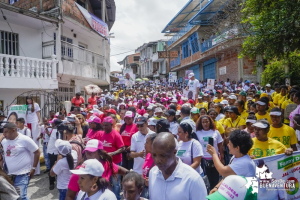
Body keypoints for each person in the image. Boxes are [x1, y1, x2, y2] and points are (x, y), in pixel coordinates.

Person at [149, 132, 207, 200]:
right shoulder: (152, 173)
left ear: (174, 152)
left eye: (162, 155)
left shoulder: (192, 179)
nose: (157, 160)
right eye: (154, 155)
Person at [206, 130, 256, 194]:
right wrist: (217, 187)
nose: (227, 145)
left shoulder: (244, 163)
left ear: (237, 148)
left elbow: (223, 171)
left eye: (230, 144)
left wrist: (214, 154)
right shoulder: (235, 157)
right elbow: (228, 175)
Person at [1, 123, 40, 200]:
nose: (4, 134)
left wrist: (34, 168)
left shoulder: (25, 139)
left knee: (21, 197)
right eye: (3, 132)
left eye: (6, 132)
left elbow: (37, 152)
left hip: (22, 174)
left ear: (13, 130)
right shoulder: (4, 141)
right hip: (8, 175)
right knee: (13, 197)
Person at [195, 116, 224, 190]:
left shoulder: (215, 132)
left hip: (215, 159)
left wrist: (222, 157)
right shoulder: (197, 133)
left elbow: (220, 145)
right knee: (207, 180)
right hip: (203, 159)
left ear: (210, 122)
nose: (205, 124)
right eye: (203, 122)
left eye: (207, 122)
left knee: (215, 179)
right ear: (201, 123)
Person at [25, 96, 41, 174]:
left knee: (34, 139)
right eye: (27, 99)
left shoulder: (36, 104)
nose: (28, 101)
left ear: (32, 99)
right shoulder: (26, 106)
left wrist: (39, 120)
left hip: (34, 121)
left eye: (29, 99)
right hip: (28, 122)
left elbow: (38, 113)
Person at [141, 133, 157, 199]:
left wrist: (151, 182)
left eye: (147, 142)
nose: (145, 144)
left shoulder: (159, 161)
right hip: (145, 189)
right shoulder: (148, 155)